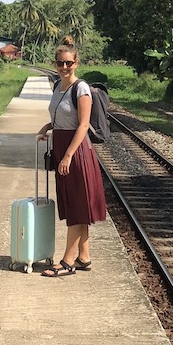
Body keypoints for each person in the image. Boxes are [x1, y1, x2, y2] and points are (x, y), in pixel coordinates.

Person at [36, 36, 107, 277]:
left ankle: (67, 261)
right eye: (60, 63)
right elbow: (63, 117)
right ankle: (84, 257)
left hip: (76, 152)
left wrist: (67, 156)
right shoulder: (58, 86)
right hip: (62, 146)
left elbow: (83, 125)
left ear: (76, 63)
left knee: (78, 206)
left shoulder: (81, 88)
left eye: (68, 63)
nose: (64, 67)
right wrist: (48, 126)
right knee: (76, 206)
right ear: (55, 64)